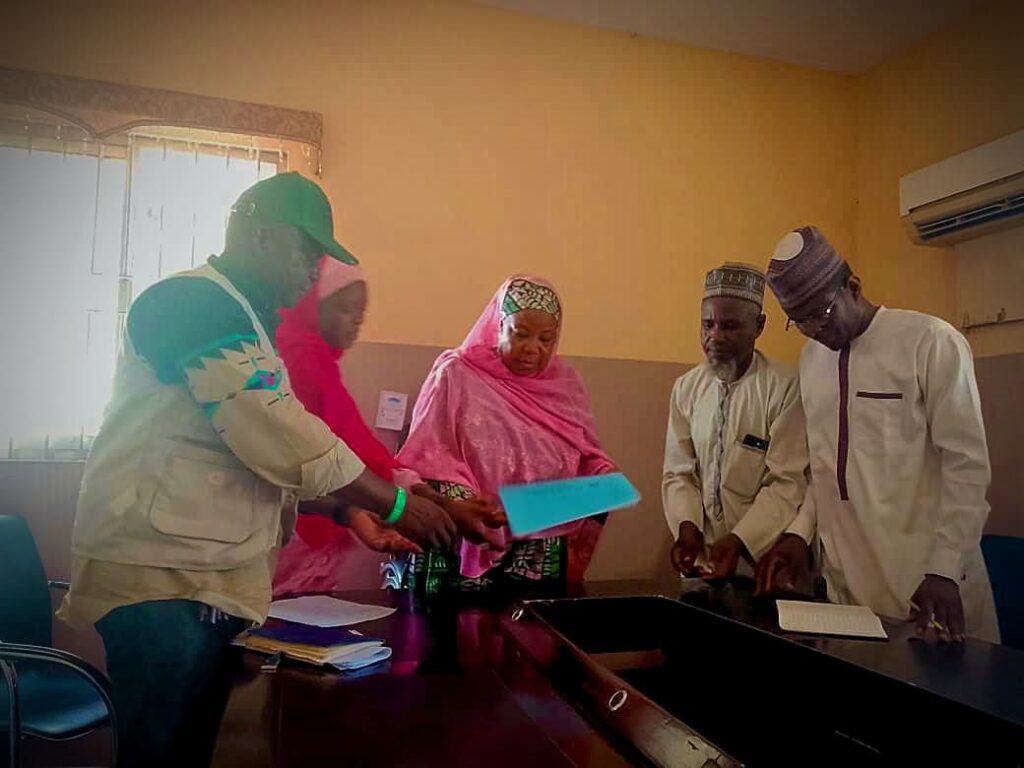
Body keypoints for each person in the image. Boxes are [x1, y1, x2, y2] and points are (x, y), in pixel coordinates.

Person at [58, 172, 459, 767]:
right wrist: (396, 505)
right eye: (307, 250)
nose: (312, 269)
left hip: (206, 582)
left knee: (190, 753)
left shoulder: (247, 319)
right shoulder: (190, 302)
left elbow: (253, 460)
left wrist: (350, 511)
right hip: (160, 583)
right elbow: (274, 430)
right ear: (261, 235)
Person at [756, 225, 1000, 644]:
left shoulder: (930, 342)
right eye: (799, 321)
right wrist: (799, 532)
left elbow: (967, 468)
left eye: (822, 314)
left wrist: (944, 567)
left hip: (932, 588)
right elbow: (826, 468)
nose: (814, 330)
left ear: (853, 286)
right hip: (850, 595)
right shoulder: (812, 360)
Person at [272, 257, 502, 595]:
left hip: (327, 522)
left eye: (362, 312)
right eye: (346, 309)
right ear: (312, 304)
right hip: (284, 533)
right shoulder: (295, 364)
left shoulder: (320, 366)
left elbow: (363, 453)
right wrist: (408, 505)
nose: (357, 321)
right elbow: (324, 460)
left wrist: (438, 503)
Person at [395, 275, 617, 593]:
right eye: (521, 334)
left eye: (546, 340)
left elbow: (587, 452)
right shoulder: (457, 372)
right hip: (471, 515)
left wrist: (604, 476)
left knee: (531, 630)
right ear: (499, 325)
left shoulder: (566, 384)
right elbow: (428, 453)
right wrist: (470, 503)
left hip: (538, 523)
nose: (532, 349)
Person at [664, 263, 808, 580]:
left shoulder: (784, 387)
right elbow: (679, 473)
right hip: (701, 560)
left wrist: (739, 542)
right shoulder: (686, 388)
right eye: (707, 324)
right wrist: (686, 528)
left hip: (762, 560)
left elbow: (786, 482)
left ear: (758, 326)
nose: (715, 336)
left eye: (729, 326)